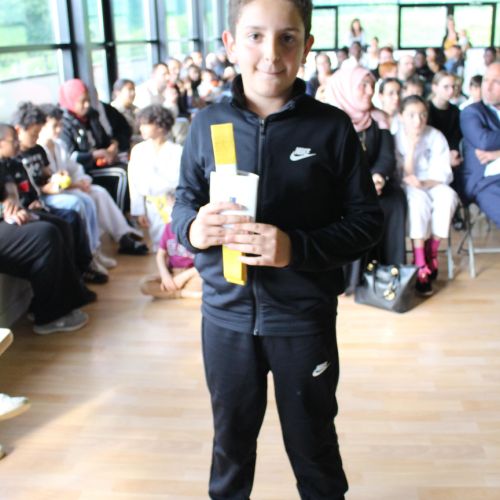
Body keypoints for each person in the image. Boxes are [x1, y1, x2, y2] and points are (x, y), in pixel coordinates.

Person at [172, 0, 383, 497]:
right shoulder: (207, 124)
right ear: (230, 44)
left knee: (314, 447)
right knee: (230, 445)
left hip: (303, 319)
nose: (271, 53)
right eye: (255, 36)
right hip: (225, 318)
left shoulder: (331, 128)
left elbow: (367, 223)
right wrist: (193, 230)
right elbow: (183, 202)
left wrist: (296, 249)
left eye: (287, 38)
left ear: (306, 47)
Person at [0, 125, 95, 335]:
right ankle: (49, 316)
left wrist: (13, 202)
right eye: (12, 140)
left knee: (61, 225)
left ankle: (64, 298)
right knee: (45, 234)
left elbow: (9, 187)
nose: (17, 144)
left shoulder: (8, 163)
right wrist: (6, 211)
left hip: (10, 217)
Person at [327, 65, 407, 293]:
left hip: (375, 183)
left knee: (394, 201)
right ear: (346, 87)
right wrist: (360, 185)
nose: (370, 91)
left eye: (371, 85)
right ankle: (350, 279)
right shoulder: (330, 120)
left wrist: (378, 176)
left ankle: (389, 274)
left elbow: (387, 155)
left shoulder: (379, 118)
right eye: (363, 85)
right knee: (350, 207)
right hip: (342, 187)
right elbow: (329, 162)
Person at [10, 104, 107, 283]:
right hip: (36, 200)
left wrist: (57, 177)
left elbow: (46, 175)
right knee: (72, 210)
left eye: (38, 134)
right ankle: (78, 270)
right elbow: (23, 189)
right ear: (19, 130)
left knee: (74, 214)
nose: (36, 138)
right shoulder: (14, 157)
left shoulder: (38, 150)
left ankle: (86, 263)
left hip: (42, 196)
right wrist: (43, 190)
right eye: (33, 134)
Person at [38, 104, 145, 261]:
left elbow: (73, 168)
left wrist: (83, 181)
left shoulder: (59, 145)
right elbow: (49, 181)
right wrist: (76, 184)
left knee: (99, 192)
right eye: (54, 126)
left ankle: (122, 236)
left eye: (60, 125)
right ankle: (91, 252)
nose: (59, 129)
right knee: (84, 201)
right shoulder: (39, 149)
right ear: (42, 126)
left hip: (70, 186)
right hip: (56, 192)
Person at [395, 96, 458, 295]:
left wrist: (426, 183)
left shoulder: (435, 135)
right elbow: (404, 174)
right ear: (401, 116)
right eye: (412, 115)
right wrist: (412, 147)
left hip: (432, 182)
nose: (418, 120)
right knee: (417, 202)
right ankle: (420, 260)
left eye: (422, 115)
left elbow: (443, 172)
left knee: (448, 196)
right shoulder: (395, 137)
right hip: (408, 184)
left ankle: (433, 249)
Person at [128, 105, 182, 250]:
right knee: (158, 246)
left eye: (146, 124)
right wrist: (138, 211)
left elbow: (179, 180)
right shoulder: (138, 150)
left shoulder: (177, 151)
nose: (141, 128)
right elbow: (134, 183)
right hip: (150, 204)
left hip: (172, 203)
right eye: (141, 124)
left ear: (160, 126)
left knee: (175, 244)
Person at [459, 62, 500, 227]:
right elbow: (484, 141)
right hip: (485, 182)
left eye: (496, 82)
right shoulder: (472, 112)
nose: (487, 87)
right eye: (485, 80)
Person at [140, 194, 202, 300]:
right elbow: (160, 255)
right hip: (173, 272)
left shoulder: (198, 230)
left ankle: (173, 292)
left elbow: (204, 264)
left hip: (192, 273)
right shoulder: (168, 227)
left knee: (204, 281)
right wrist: (165, 275)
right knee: (144, 284)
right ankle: (183, 293)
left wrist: (183, 277)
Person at [428, 71, 463, 170]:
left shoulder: (456, 111)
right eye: (446, 87)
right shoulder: (426, 109)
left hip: (450, 154)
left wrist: (454, 150)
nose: (451, 91)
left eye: (453, 87)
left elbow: (456, 136)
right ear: (435, 88)